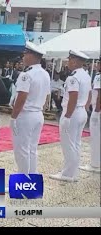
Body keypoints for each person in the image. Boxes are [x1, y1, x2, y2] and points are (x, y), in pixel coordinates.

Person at [49, 50, 92, 182]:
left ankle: (68, 174)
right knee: (76, 143)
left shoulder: (73, 77)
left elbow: (73, 97)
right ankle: (73, 172)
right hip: (81, 111)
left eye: (69, 59)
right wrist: (84, 107)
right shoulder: (86, 75)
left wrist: (67, 116)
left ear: (74, 61)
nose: (68, 62)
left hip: (72, 113)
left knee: (68, 144)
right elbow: (89, 94)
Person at [9, 42, 51, 175]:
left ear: (32, 56)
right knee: (32, 149)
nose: (23, 57)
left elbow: (22, 97)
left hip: (25, 114)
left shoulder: (26, 74)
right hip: (38, 114)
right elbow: (47, 96)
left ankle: (23, 181)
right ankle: (31, 178)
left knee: (21, 150)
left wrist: (13, 117)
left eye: (25, 54)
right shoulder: (45, 73)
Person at [79, 59, 100, 173]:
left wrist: (96, 111)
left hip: (98, 110)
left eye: (98, 63)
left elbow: (99, 95)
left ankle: (95, 164)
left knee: (96, 138)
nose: (96, 65)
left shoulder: (98, 77)